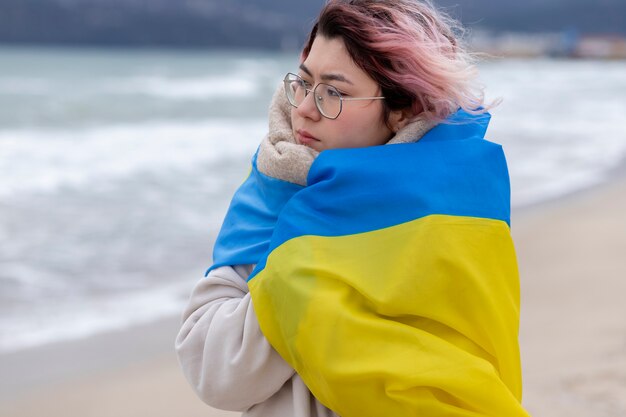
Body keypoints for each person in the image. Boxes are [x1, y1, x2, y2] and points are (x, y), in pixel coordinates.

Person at [176, 1, 529, 416]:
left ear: (402, 110)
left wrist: (294, 272)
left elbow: (223, 372)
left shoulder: (448, 221)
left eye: (334, 93)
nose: (304, 108)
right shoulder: (284, 184)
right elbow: (208, 360)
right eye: (304, 83)